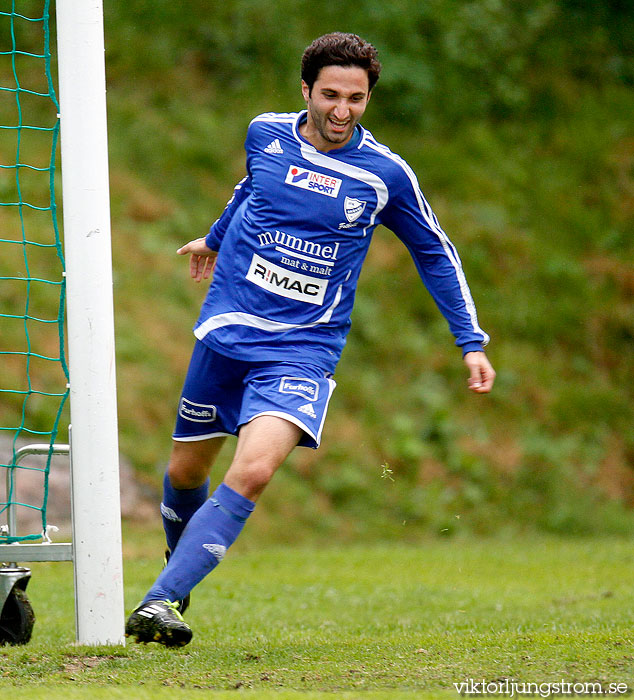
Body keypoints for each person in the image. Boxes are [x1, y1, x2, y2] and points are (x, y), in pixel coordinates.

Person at [125, 32, 495, 647]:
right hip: (228, 329)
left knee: (256, 469)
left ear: (369, 98)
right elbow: (250, 189)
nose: (342, 111)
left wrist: (470, 340)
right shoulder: (265, 132)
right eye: (330, 95)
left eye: (357, 98)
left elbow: (434, 251)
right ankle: (179, 577)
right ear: (306, 91)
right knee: (186, 471)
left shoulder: (384, 175)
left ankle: (159, 600)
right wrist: (214, 239)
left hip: (302, 349)